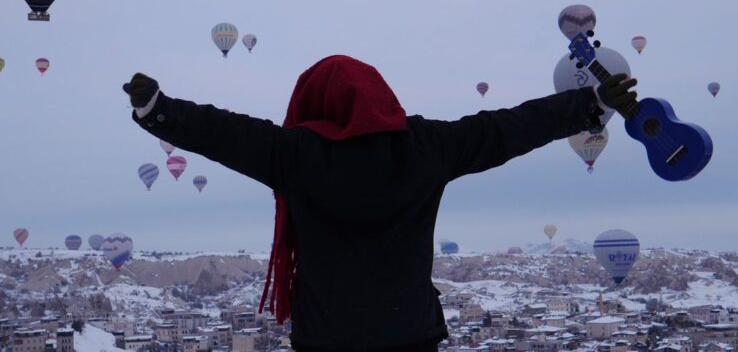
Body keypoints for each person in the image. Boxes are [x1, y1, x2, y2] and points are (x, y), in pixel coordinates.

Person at [123, 55, 636, 351]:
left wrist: (158, 111)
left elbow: (226, 134)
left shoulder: (296, 154)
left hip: (330, 339)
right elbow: (506, 128)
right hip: (408, 334)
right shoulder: (424, 147)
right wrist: (589, 105)